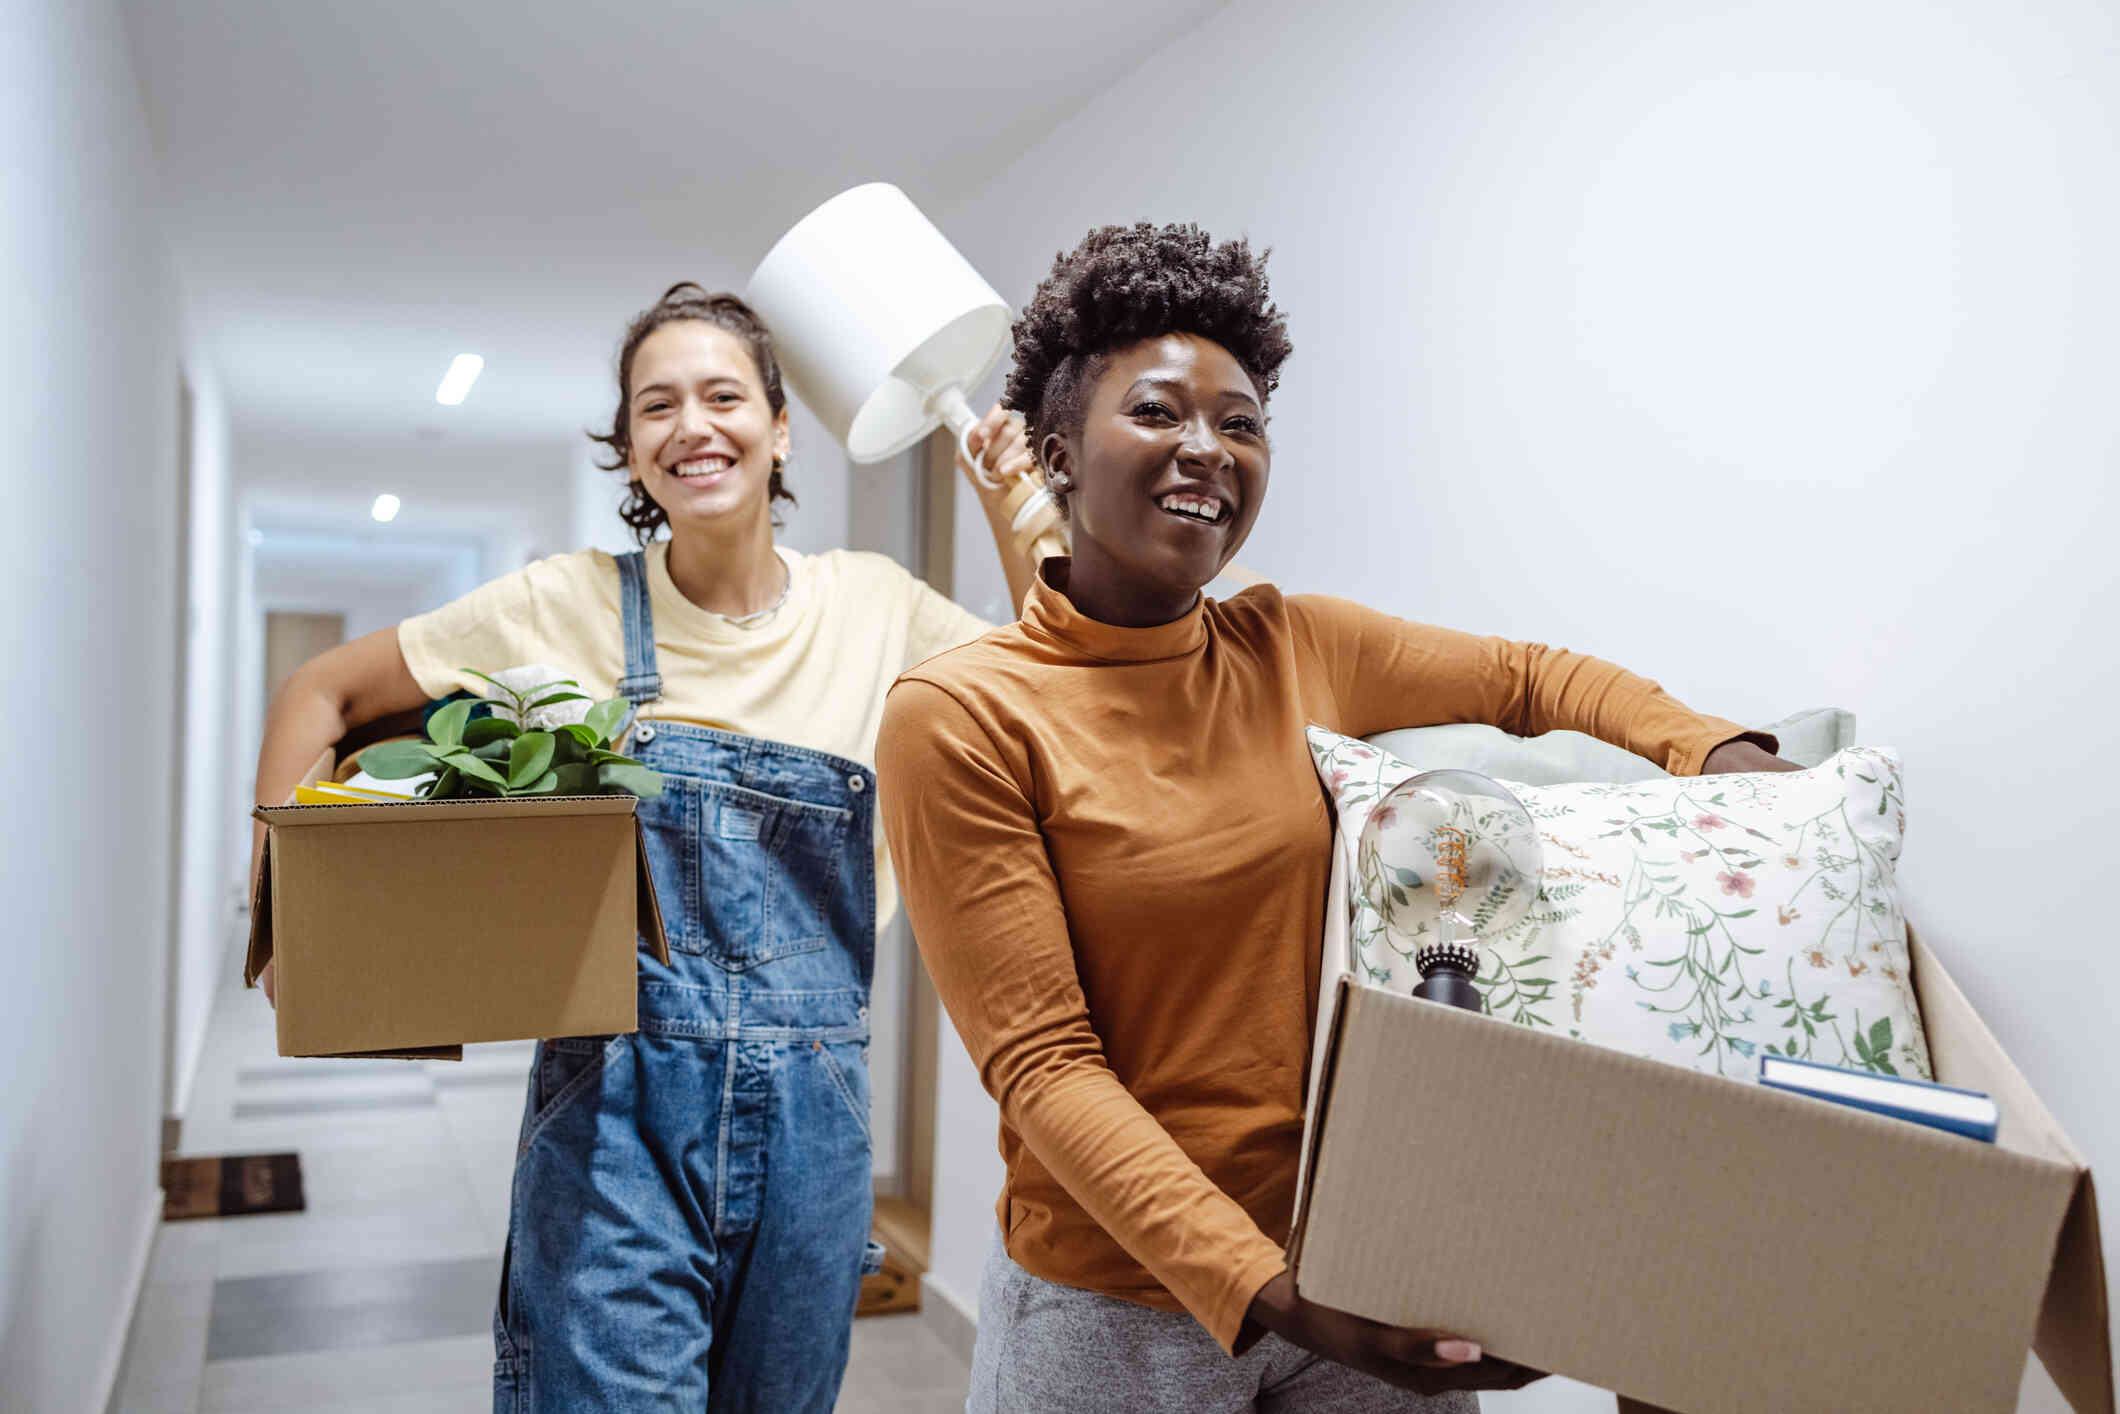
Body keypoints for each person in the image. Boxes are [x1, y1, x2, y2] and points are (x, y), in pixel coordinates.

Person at [874, 224, 1799, 1413]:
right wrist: (1275, 1293)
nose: (1206, 447)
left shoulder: (1291, 645)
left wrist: (1717, 751)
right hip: (1117, 1311)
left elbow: (1527, 677)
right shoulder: (962, 713)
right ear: (1054, 451)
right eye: (1157, 412)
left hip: (1363, 1255)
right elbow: (1045, 1069)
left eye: (1242, 421)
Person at [250, 282, 1046, 1412]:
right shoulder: (561, 604)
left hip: (818, 1126)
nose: (692, 425)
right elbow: (318, 691)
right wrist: (286, 904)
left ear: (779, 429)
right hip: (615, 1112)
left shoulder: (876, 607)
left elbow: (1050, 694)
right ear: (629, 451)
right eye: (655, 406)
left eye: (723, 395)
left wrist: (1009, 505)